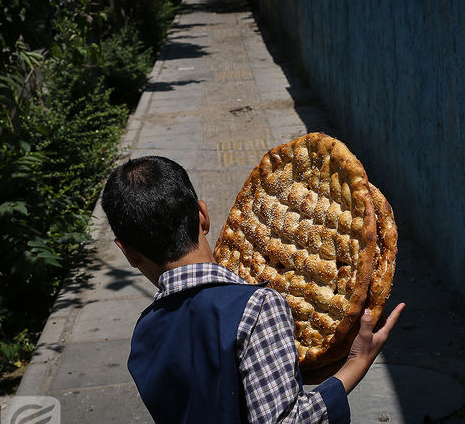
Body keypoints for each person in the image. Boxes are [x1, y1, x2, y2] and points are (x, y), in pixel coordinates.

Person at [101, 155, 405, 423]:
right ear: (202, 216)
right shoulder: (257, 307)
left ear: (127, 252)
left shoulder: (145, 333)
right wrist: (355, 365)